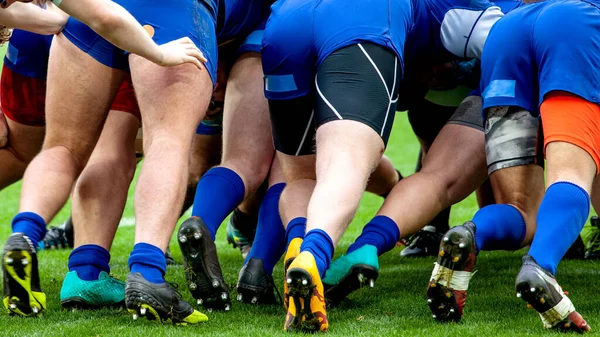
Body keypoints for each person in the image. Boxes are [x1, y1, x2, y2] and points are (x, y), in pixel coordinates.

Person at [262, 0, 506, 331]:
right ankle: (314, 258)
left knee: (304, 174)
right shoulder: (467, 11)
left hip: (285, 24)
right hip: (364, 21)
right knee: (346, 161)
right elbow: (509, 42)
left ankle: (297, 245)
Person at [1, 0, 216, 324]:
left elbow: (54, 19)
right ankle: (146, 273)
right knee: (166, 141)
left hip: (77, 27)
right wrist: (158, 54)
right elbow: (101, 14)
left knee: (62, 147)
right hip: (163, 15)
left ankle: (28, 238)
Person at [428, 0, 595, 332]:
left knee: (520, 209)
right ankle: (540, 267)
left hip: (508, 30)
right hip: (575, 24)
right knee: (573, 173)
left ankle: (471, 234)